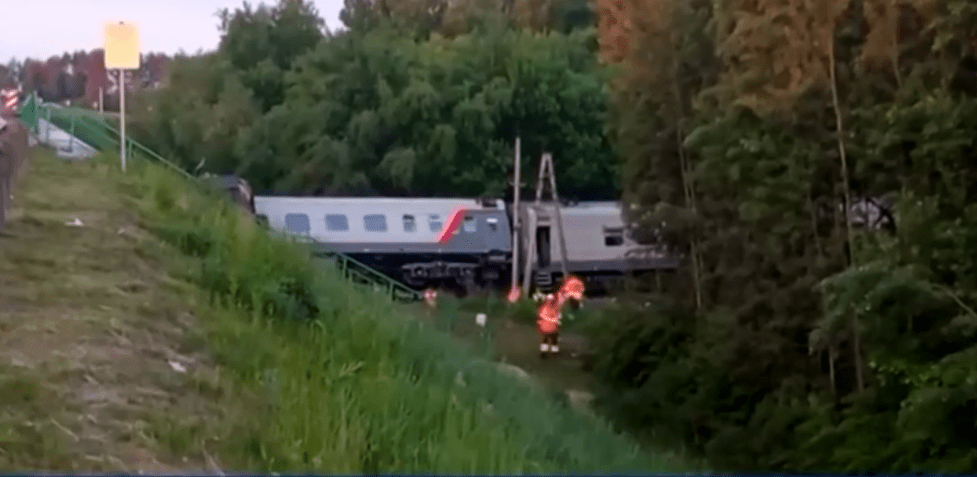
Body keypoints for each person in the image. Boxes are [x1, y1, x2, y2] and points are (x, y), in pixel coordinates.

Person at [537, 293, 562, 359]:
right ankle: (549, 352)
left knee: (548, 339)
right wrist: (555, 321)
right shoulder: (550, 308)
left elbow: (558, 317)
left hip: (547, 326)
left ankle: (545, 352)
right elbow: (557, 318)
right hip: (550, 326)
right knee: (552, 339)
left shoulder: (545, 307)